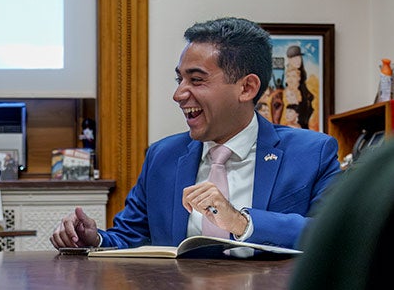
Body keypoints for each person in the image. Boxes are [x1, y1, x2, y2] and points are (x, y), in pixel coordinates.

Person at [50, 17, 341, 253]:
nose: (178, 94)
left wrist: (241, 222)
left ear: (247, 88)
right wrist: (93, 240)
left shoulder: (313, 152)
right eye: (180, 79)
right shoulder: (162, 156)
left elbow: (333, 237)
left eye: (197, 80)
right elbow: (130, 236)